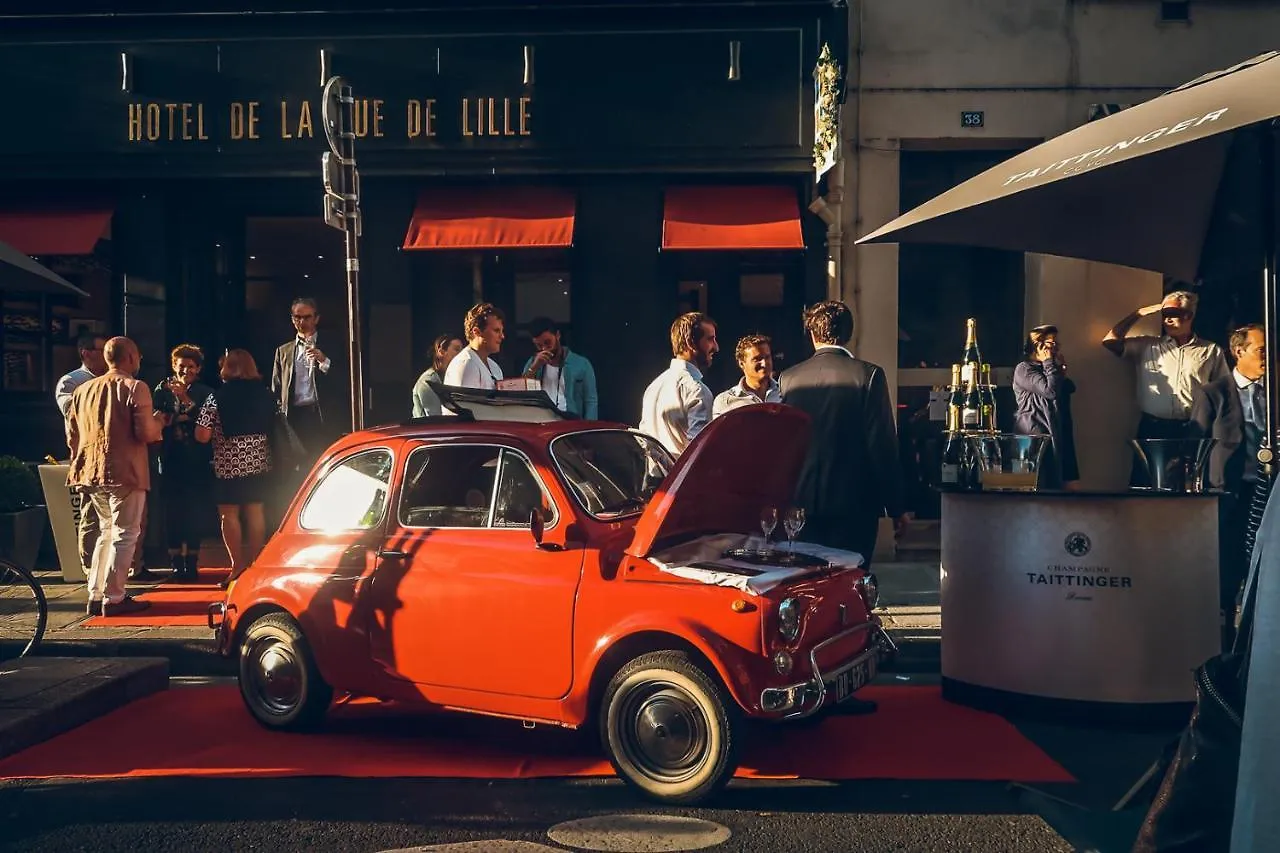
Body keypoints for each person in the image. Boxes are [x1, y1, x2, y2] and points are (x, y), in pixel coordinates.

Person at [780, 301, 909, 565]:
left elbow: (784, 444)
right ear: (850, 334)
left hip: (803, 501)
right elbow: (882, 443)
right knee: (851, 584)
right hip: (854, 504)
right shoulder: (868, 376)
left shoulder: (789, 378)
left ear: (813, 334)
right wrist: (896, 507)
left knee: (808, 583)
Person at [65, 336, 163, 616]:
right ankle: (115, 597)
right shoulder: (135, 387)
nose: (140, 361)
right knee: (126, 533)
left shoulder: (83, 390)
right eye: (138, 356)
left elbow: (72, 435)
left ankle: (95, 594)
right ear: (130, 357)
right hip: (126, 470)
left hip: (91, 470)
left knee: (106, 532)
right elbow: (146, 432)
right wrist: (160, 421)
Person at [1191, 323, 1265, 651]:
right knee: (1229, 561)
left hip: (1269, 491)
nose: (1269, 357)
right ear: (1239, 351)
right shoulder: (1213, 393)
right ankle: (1224, 638)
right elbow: (1196, 447)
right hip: (1230, 493)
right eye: (1262, 350)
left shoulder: (1274, 390)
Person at [195, 349, 278, 586]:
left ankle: (237, 567)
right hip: (259, 462)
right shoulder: (266, 395)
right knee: (255, 511)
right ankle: (256, 563)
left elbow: (202, 434)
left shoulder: (216, 397)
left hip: (228, 464)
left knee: (229, 514)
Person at [1103, 290, 1229, 439]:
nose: (1167, 320)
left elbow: (1222, 389)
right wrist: (1138, 314)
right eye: (1165, 315)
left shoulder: (1211, 350)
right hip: (1154, 427)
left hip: (1193, 427)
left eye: (1173, 314)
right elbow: (1109, 342)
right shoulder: (1148, 345)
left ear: (1189, 315)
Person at [153, 344, 214, 582]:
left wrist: (184, 400)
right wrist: (184, 415)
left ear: (198, 368)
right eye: (181, 366)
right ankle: (176, 563)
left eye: (190, 366)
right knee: (172, 512)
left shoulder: (206, 392)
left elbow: (206, 419)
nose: (185, 370)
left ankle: (192, 562)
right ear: (173, 366)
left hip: (197, 459)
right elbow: (159, 418)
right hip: (170, 458)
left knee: (195, 511)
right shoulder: (162, 389)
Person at [54, 331, 108, 586]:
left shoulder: (110, 378)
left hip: (112, 455)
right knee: (91, 514)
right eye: (100, 351)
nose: (106, 357)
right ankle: (89, 569)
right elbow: (71, 412)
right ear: (85, 353)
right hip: (87, 455)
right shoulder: (71, 381)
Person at [639, 312, 719, 456]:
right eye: (710, 339)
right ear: (690, 343)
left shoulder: (653, 386)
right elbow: (697, 453)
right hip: (683, 477)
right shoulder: (697, 390)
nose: (716, 347)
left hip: (654, 476)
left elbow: (644, 442)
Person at [271, 297, 339, 462]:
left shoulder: (333, 344)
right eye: (297, 317)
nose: (302, 321)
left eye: (307, 317)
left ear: (316, 318)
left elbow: (344, 379)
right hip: (294, 417)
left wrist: (324, 361)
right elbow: (277, 387)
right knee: (298, 465)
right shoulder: (283, 351)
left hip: (321, 414)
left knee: (323, 461)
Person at [1012, 325, 1080, 490]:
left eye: (1057, 343)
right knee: (1042, 487)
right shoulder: (1024, 369)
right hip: (1037, 436)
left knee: (1067, 490)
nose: (1056, 347)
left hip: (1058, 434)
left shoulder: (1050, 370)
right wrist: (1049, 363)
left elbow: (1069, 387)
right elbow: (1050, 391)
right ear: (1038, 345)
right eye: (1051, 343)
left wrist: (1059, 371)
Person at [521, 316, 599, 419]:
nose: (544, 348)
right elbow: (521, 391)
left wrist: (590, 429)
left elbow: (590, 401)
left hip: (570, 421)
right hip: (541, 420)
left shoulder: (582, 364)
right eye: (539, 345)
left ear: (557, 335)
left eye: (548, 342)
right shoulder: (533, 362)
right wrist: (535, 367)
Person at [713, 333, 781, 418]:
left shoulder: (784, 393)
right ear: (741, 363)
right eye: (757, 359)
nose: (764, 364)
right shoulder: (725, 402)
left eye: (767, 357)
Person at [444, 302, 506, 390]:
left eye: (502, 331)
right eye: (496, 331)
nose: (502, 336)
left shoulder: (495, 367)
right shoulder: (466, 364)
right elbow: (465, 403)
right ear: (476, 332)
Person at [411, 334, 464, 417]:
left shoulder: (453, 377)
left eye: (462, 351)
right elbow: (435, 417)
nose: (461, 354)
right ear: (441, 352)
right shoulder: (428, 381)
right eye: (457, 350)